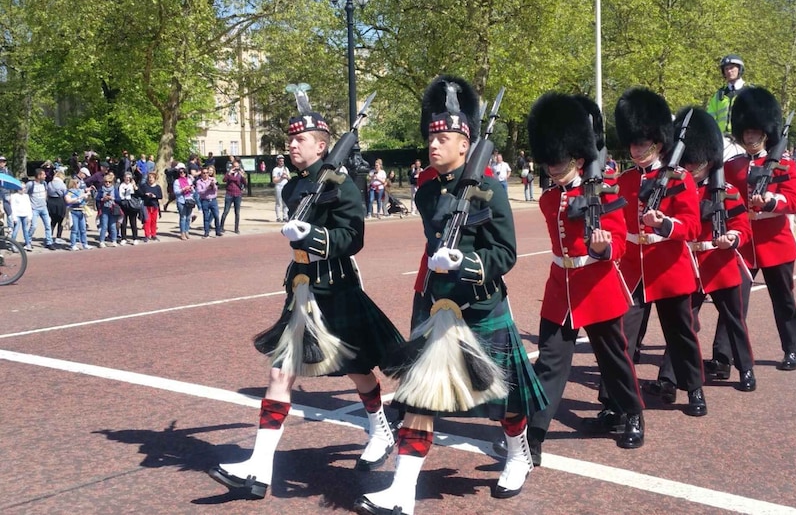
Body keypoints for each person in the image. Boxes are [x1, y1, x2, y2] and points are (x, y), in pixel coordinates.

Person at [355, 76, 546, 515]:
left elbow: (506, 253)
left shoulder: (491, 190)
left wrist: (467, 265)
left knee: (504, 400)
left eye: (443, 137)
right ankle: (402, 492)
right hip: (437, 304)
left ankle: (519, 455)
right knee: (420, 398)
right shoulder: (425, 191)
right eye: (430, 137)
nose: (433, 145)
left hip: (479, 303)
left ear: (466, 143)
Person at [210, 105, 404, 500]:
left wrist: (314, 235)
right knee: (281, 373)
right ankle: (260, 466)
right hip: (301, 287)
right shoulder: (295, 186)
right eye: (291, 139)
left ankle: (380, 427)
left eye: (300, 140)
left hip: (336, 287)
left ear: (321, 145)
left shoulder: (343, 185)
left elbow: (353, 238)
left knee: (357, 367)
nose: (292, 145)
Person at [521, 90, 647, 459]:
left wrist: (603, 247)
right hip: (561, 289)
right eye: (548, 163)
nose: (550, 170)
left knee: (613, 358)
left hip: (598, 285)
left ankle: (633, 413)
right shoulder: (549, 199)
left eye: (557, 163)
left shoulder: (606, 192)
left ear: (578, 157)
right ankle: (535, 434)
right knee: (550, 362)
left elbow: (620, 244)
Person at [610, 89, 705, 417]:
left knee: (680, 334)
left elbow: (692, 227)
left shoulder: (679, 179)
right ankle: (615, 401)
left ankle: (693, 388)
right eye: (633, 144)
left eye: (642, 144)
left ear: (659, 143)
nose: (636, 150)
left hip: (668, 266)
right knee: (621, 336)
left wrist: (665, 225)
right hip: (633, 269)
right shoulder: (624, 181)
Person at [676, 107, 757, 392]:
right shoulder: (678, 189)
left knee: (734, 321)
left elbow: (743, 227)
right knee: (683, 323)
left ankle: (746, 369)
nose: (690, 169)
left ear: (709, 162)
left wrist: (733, 237)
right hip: (689, 263)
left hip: (720, 262)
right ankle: (672, 376)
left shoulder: (727, 192)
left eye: (695, 164)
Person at [723, 87, 796, 371]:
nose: (750, 137)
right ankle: (724, 355)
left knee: (783, 301)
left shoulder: (784, 165)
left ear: (766, 134)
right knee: (733, 301)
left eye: (756, 133)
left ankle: (791, 349)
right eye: (746, 133)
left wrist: (771, 202)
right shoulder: (732, 167)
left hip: (775, 242)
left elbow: (793, 201)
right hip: (743, 244)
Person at [707, 54, 750, 161]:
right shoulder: (719, 95)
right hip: (721, 140)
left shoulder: (749, 93)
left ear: (739, 69)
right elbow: (710, 118)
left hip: (743, 140)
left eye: (732, 68)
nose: (729, 71)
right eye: (726, 69)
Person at [26, 169, 55, 250]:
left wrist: (45, 202)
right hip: (34, 208)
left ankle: (49, 242)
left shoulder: (44, 183)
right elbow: (25, 194)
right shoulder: (30, 184)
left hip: (43, 208)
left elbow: (45, 192)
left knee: (48, 225)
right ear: (38, 176)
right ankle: (28, 240)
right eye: (43, 175)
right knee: (34, 226)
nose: (45, 176)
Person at [64, 177, 92, 250]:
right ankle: (73, 245)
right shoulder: (69, 192)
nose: (79, 184)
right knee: (74, 229)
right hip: (73, 211)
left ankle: (85, 244)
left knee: (83, 229)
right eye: (77, 183)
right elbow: (68, 201)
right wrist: (79, 197)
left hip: (81, 211)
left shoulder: (80, 191)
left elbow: (86, 200)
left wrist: (88, 195)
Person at [197, 165, 222, 237]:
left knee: (216, 216)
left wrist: (213, 185)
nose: (205, 174)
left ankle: (218, 231)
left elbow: (216, 189)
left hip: (213, 200)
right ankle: (206, 232)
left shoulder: (212, 179)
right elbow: (200, 191)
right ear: (201, 174)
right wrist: (207, 188)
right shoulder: (199, 182)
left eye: (207, 173)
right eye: (204, 173)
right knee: (206, 217)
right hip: (205, 200)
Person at [221, 160, 246, 233]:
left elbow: (245, 183)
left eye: (237, 166)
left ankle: (236, 228)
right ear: (232, 167)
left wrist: (243, 176)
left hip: (238, 194)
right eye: (234, 166)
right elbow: (224, 180)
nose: (236, 168)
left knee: (237, 212)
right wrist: (229, 173)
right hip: (229, 194)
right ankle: (221, 227)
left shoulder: (240, 174)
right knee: (226, 211)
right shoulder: (229, 173)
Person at [117, 173, 142, 245]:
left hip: (132, 205)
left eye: (129, 177)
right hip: (123, 205)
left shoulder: (133, 186)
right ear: (124, 178)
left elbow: (140, 194)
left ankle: (135, 238)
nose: (127, 179)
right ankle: (123, 238)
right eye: (126, 177)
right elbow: (118, 195)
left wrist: (135, 186)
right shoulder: (120, 186)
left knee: (133, 222)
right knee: (123, 223)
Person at [96, 173, 119, 248]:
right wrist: (103, 199)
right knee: (104, 225)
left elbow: (119, 199)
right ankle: (102, 241)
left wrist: (113, 198)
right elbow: (97, 199)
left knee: (112, 226)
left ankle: (114, 240)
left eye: (109, 182)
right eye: (106, 182)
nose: (107, 183)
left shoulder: (114, 189)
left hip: (112, 209)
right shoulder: (101, 189)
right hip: (104, 209)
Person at [173, 165, 196, 240]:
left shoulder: (189, 180)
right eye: (180, 172)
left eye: (184, 172)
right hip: (181, 200)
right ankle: (182, 232)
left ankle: (187, 231)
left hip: (189, 199)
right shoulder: (176, 181)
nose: (182, 174)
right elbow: (176, 192)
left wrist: (191, 189)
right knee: (183, 217)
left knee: (188, 217)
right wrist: (183, 189)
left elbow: (193, 191)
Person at [46, 169, 69, 244]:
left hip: (51, 202)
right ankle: (58, 237)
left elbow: (47, 193)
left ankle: (49, 236)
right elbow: (65, 194)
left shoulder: (49, 183)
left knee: (53, 221)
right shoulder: (62, 185)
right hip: (60, 202)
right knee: (60, 221)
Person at [139, 171, 163, 241]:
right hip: (146, 205)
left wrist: (154, 196)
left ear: (155, 179)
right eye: (149, 177)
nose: (150, 179)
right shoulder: (144, 186)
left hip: (154, 205)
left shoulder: (157, 187)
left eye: (152, 178)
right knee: (147, 220)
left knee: (154, 221)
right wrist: (145, 194)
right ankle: (147, 235)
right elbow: (140, 193)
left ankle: (153, 234)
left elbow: (160, 196)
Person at [9, 181, 32, 249]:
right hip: (18, 215)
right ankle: (13, 244)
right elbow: (13, 207)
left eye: (24, 188)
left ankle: (28, 243)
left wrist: (29, 216)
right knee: (16, 230)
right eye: (22, 188)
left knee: (25, 230)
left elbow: (29, 206)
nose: (23, 189)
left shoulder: (26, 196)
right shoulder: (14, 196)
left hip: (25, 215)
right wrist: (14, 217)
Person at [272, 155, 290, 222]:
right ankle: (278, 217)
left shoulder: (286, 169)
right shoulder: (275, 169)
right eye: (280, 161)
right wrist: (281, 177)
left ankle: (285, 216)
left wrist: (287, 176)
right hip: (279, 186)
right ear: (278, 161)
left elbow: (289, 178)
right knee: (278, 202)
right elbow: (274, 180)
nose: (282, 162)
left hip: (285, 186)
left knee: (285, 202)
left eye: (282, 161)